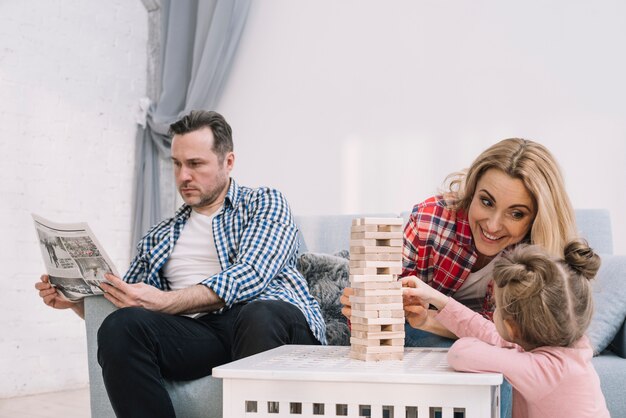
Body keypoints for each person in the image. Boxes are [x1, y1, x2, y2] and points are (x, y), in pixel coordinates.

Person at [35, 110, 326, 418]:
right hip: (203, 333)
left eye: (195, 164)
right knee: (120, 327)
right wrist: (75, 303)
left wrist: (165, 301)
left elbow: (252, 273)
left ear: (228, 162)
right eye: (177, 164)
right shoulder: (158, 236)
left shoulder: (264, 203)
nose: (183, 176)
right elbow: (129, 303)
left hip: (272, 323)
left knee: (258, 315)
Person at [341, 138, 577, 337]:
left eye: (516, 213)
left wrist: (432, 319)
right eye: (486, 201)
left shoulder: (539, 253)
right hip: (421, 332)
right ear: (472, 191)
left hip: (448, 333)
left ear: (536, 218)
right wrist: (367, 306)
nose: (493, 226)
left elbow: (515, 340)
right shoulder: (431, 221)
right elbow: (377, 317)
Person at [402, 240, 610, 418]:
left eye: (496, 307)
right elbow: (488, 332)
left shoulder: (544, 371)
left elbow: (461, 353)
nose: (493, 313)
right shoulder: (568, 350)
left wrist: (497, 347)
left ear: (512, 329)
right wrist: (436, 298)